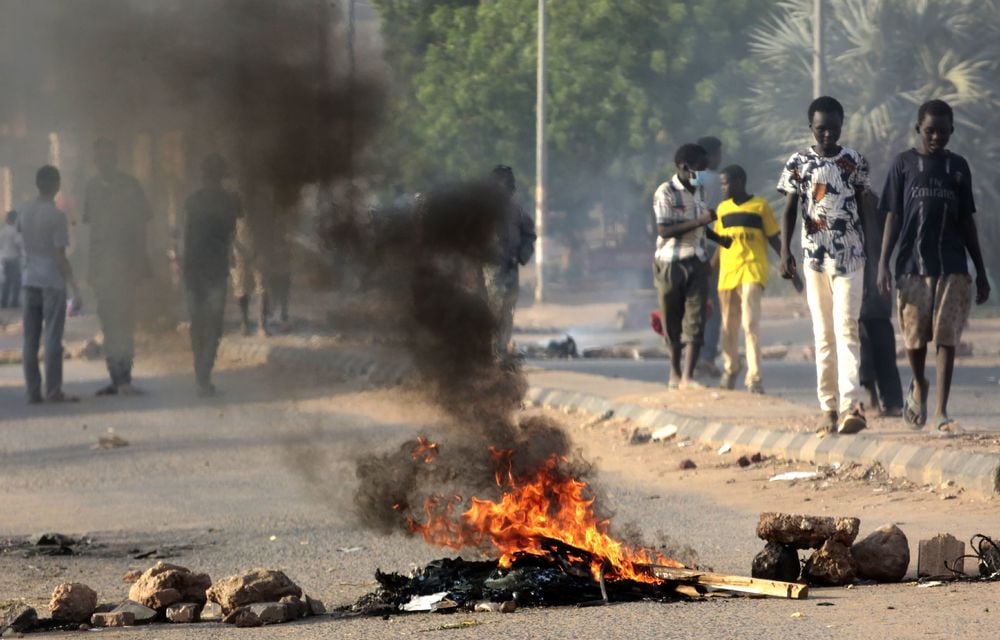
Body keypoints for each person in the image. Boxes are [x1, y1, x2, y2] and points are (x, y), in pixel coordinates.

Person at [877, 99, 989, 432]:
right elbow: (893, 218)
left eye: (943, 131)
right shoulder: (904, 165)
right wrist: (883, 263)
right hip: (912, 264)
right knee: (914, 339)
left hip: (952, 264)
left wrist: (980, 271)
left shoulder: (958, 167)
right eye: (930, 131)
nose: (937, 137)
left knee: (946, 337)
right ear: (918, 130)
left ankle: (941, 411)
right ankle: (919, 382)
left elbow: (967, 221)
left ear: (951, 131)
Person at [778, 96, 870, 434]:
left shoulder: (854, 161)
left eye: (833, 128)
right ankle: (827, 408)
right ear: (811, 129)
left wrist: (871, 258)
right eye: (821, 130)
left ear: (841, 125)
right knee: (823, 335)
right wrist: (785, 253)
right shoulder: (799, 162)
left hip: (851, 258)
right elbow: (789, 208)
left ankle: (852, 406)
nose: (827, 135)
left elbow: (863, 209)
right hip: (814, 260)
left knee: (847, 329)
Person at [715, 165, 800, 394]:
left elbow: (774, 238)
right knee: (727, 327)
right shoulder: (722, 209)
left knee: (750, 323)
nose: (723, 188)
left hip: (752, 270)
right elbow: (721, 245)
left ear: (740, 181)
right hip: (727, 274)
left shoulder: (759, 206)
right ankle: (731, 367)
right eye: (721, 184)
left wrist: (792, 271)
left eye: (726, 183)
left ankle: (754, 378)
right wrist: (708, 270)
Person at [653, 143, 731, 390]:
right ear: (685, 167)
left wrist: (719, 239)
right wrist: (700, 220)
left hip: (696, 262)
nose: (704, 173)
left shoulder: (699, 192)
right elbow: (664, 229)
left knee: (696, 318)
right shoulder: (665, 192)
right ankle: (674, 373)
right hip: (670, 263)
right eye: (700, 168)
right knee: (672, 320)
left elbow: (700, 227)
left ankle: (687, 377)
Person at [83, 138, 151, 396]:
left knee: (125, 322)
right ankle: (116, 377)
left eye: (107, 158)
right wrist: (90, 268)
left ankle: (126, 377)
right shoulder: (91, 188)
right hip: (102, 267)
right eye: (99, 159)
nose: (103, 163)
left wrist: (139, 262)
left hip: (126, 264)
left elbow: (142, 226)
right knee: (109, 324)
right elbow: (91, 232)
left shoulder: (131, 186)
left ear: (115, 159)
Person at [18, 165, 82, 403]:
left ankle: (33, 391)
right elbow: (60, 257)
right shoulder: (56, 216)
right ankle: (53, 390)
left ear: (37, 184)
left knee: (30, 339)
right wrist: (75, 287)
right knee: (53, 337)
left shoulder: (24, 212)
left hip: (29, 280)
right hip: (51, 282)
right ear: (56, 186)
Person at [183, 154, 242, 396]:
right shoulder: (231, 201)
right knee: (213, 324)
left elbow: (185, 236)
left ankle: (201, 373)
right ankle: (204, 374)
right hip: (216, 269)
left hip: (194, 268)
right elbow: (233, 234)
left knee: (198, 322)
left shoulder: (192, 201)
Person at [858, 189, 903, 417]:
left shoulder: (871, 200)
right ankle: (875, 394)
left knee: (876, 339)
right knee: (865, 340)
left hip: (874, 278)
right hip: (860, 279)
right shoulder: (864, 200)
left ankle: (887, 398)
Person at [485, 165, 536, 357]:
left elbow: (529, 234)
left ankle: (500, 352)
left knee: (507, 311)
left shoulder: (516, 210)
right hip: (489, 270)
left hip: (511, 268)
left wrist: (521, 256)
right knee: (492, 311)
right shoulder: (483, 211)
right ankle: (489, 354)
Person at [695, 136, 724, 379]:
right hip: (713, 246)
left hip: (689, 247)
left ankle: (692, 355)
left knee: (695, 302)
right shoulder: (717, 181)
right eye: (718, 155)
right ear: (710, 156)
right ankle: (707, 357)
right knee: (714, 304)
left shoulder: (688, 180)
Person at [231, 214, 268, 336]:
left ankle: (262, 326)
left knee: (261, 286)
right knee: (241, 288)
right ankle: (245, 324)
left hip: (258, 249)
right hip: (239, 252)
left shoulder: (260, 204)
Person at [0, 210, 23, 308]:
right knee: (16, 281)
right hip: (13, 259)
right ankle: (14, 302)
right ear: (14, 219)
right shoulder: (14, 231)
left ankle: (4, 301)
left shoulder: (2, 231)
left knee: (7, 281)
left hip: (5, 259)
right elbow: (19, 244)